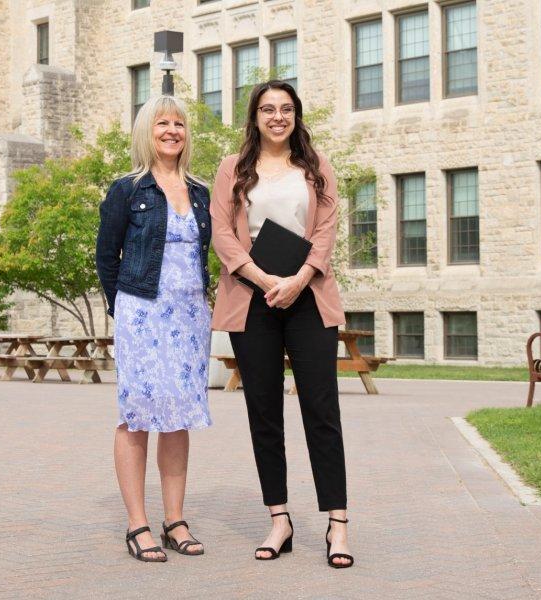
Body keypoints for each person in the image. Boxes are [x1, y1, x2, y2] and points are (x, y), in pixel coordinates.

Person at [210, 80, 354, 568]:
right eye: (268, 109)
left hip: (308, 296)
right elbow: (223, 234)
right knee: (264, 412)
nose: (277, 117)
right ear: (254, 117)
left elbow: (326, 230)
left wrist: (298, 279)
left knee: (321, 410)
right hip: (251, 300)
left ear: (296, 116)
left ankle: (338, 523)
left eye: (286, 109)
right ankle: (280, 520)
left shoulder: (316, 168)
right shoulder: (232, 169)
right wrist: (261, 276)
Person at [96, 95, 212, 563]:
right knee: (138, 412)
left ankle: (175, 519)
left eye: (179, 123)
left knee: (178, 414)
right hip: (141, 312)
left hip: (189, 316)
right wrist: (122, 309)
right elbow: (107, 258)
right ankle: (137, 524)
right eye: (162, 123)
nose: (172, 130)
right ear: (147, 131)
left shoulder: (200, 191)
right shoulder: (127, 189)